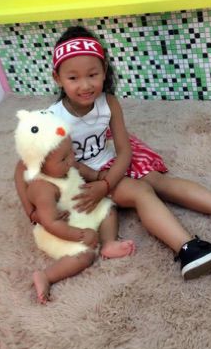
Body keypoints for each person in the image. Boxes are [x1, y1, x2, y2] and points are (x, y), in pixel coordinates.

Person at [15, 25, 211, 280]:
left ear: (104, 71)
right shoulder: (49, 120)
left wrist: (106, 184)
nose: (85, 85)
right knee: (141, 191)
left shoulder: (108, 102)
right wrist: (31, 211)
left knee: (157, 181)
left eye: (93, 74)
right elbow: (21, 167)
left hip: (108, 168)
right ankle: (188, 248)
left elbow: (124, 151)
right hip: (80, 181)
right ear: (58, 78)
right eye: (73, 78)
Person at [15, 109, 135, 304]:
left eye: (71, 152)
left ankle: (109, 243)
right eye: (64, 158)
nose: (71, 159)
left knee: (108, 207)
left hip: (80, 209)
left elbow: (80, 168)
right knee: (85, 255)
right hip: (62, 228)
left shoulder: (67, 164)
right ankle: (47, 276)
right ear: (40, 165)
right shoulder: (42, 188)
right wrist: (80, 235)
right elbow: (51, 223)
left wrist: (97, 176)